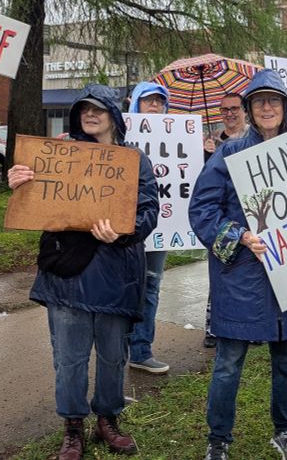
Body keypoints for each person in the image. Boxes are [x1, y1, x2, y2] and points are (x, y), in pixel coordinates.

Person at [8, 84, 158, 459]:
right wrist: (18, 184)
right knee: (70, 358)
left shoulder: (134, 160)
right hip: (67, 274)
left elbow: (149, 210)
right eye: (83, 110)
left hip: (116, 273)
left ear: (113, 115)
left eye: (99, 109)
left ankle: (108, 418)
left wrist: (125, 231)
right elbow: (36, 203)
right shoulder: (55, 155)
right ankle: (72, 426)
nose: (90, 115)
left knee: (112, 355)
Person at [190, 70, 287, 460]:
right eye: (259, 101)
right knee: (229, 361)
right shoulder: (228, 154)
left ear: (285, 108)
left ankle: (285, 431)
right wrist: (240, 236)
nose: (266, 107)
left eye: (274, 101)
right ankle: (219, 439)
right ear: (249, 108)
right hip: (242, 274)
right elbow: (202, 209)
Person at [125, 81, 173, 374]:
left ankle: (141, 351)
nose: (154, 106)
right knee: (124, 286)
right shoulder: (121, 136)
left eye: (159, 101)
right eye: (148, 101)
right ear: (136, 104)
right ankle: (115, 349)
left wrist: (203, 152)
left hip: (162, 225)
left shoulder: (176, 134)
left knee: (151, 285)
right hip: (127, 227)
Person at [202, 91, 249, 349]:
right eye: (224, 109)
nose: (229, 114)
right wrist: (205, 154)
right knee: (220, 273)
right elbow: (202, 184)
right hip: (222, 220)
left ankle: (249, 328)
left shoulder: (254, 139)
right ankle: (214, 327)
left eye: (234, 108)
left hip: (251, 218)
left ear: (244, 110)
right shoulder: (211, 142)